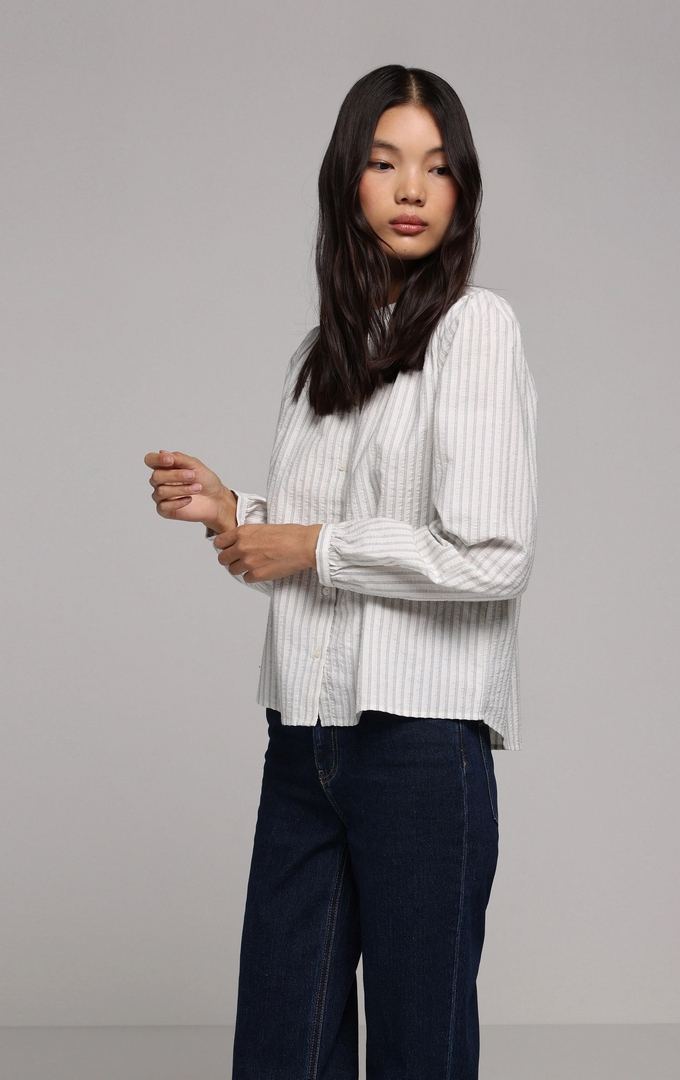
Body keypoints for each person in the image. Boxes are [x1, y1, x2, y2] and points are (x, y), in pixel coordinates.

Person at [145, 64, 537, 1080]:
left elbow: (491, 554)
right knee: (280, 1046)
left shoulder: (475, 329)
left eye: (437, 167)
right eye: (384, 162)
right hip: (304, 742)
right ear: (346, 182)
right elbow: (317, 542)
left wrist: (312, 544)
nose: (411, 189)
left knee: (418, 1050)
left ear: (462, 189)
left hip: (420, 747)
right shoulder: (322, 354)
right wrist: (237, 514)